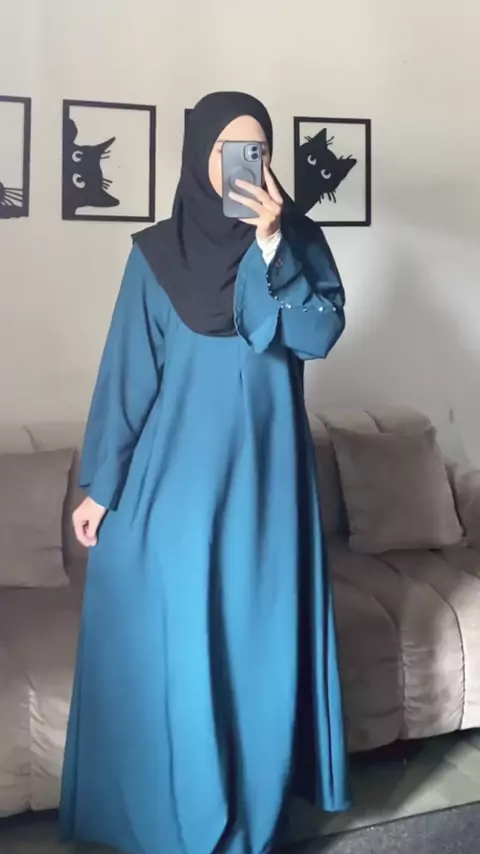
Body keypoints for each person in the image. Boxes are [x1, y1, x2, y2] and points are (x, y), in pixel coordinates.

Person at [59, 91, 349, 854]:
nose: (244, 165)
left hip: (266, 489)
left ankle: (250, 823)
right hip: (178, 488)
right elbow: (128, 377)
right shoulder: (158, 255)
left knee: (255, 650)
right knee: (182, 648)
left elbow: (318, 333)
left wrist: (272, 246)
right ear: (198, 158)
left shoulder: (298, 241)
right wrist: (100, 490)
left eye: (258, 149)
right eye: (229, 150)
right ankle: (174, 826)